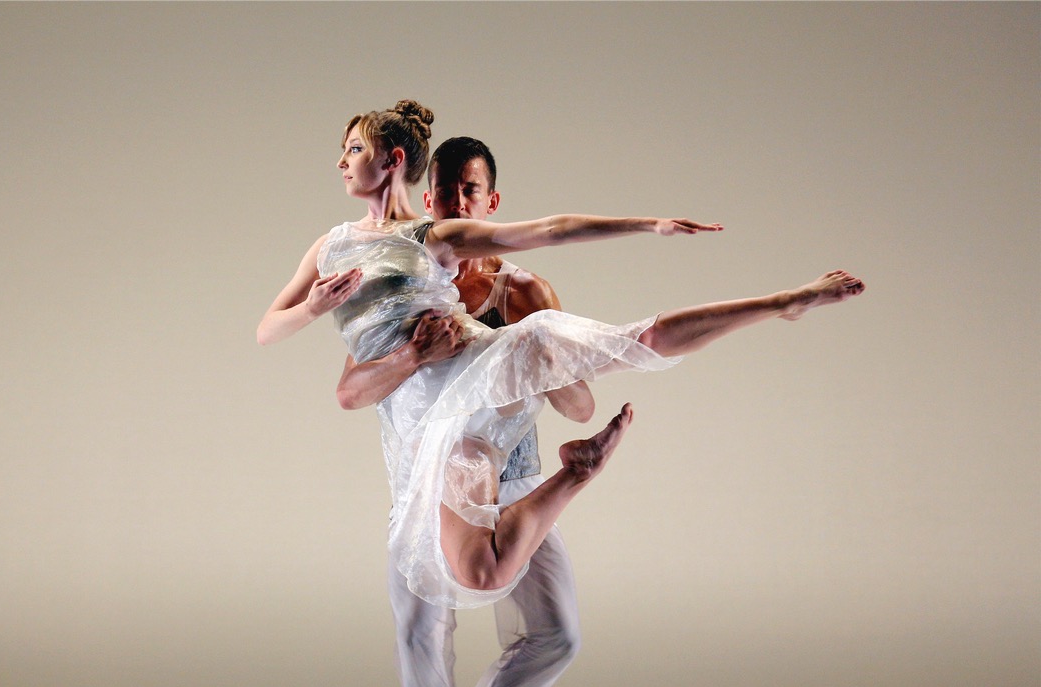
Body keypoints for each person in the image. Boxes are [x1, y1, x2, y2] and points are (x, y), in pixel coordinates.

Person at [257, 98, 862, 615]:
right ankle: (578, 469)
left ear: (390, 160)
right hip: (440, 423)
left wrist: (648, 225)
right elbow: (268, 329)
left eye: (353, 148)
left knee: (637, 341)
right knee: (482, 575)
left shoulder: (434, 236)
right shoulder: (330, 246)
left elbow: (548, 230)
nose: (340, 161)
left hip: (485, 365)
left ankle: (783, 301)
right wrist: (311, 308)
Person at [335, 135, 595, 687]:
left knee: (558, 635)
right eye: (443, 194)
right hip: (427, 496)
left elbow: (578, 407)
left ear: (492, 204)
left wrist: (539, 347)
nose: (454, 206)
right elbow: (350, 392)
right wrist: (415, 350)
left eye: (468, 194)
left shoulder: (526, 291)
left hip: (511, 491)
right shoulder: (401, 286)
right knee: (421, 634)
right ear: (428, 203)